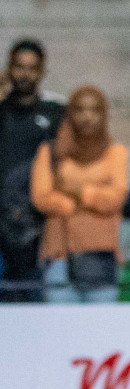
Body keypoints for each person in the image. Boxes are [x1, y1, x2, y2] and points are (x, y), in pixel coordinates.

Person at [29, 87, 129, 303]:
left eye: (94, 110)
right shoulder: (52, 152)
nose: (87, 117)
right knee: (61, 328)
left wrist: (76, 191)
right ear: (70, 113)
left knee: (100, 329)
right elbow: (41, 197)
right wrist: (73, 204)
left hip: (100, 256)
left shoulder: (115, 153)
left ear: (103, 115)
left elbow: (114, 199)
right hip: (60, 256)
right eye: (80, 110)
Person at [0, 40, 66, 301]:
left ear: (41, 72)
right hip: (1, 230)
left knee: (36, 309)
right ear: (9, 69)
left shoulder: (56, 114)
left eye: (32, 68)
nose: (24, 74)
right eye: (19, 67)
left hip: (38, 230)